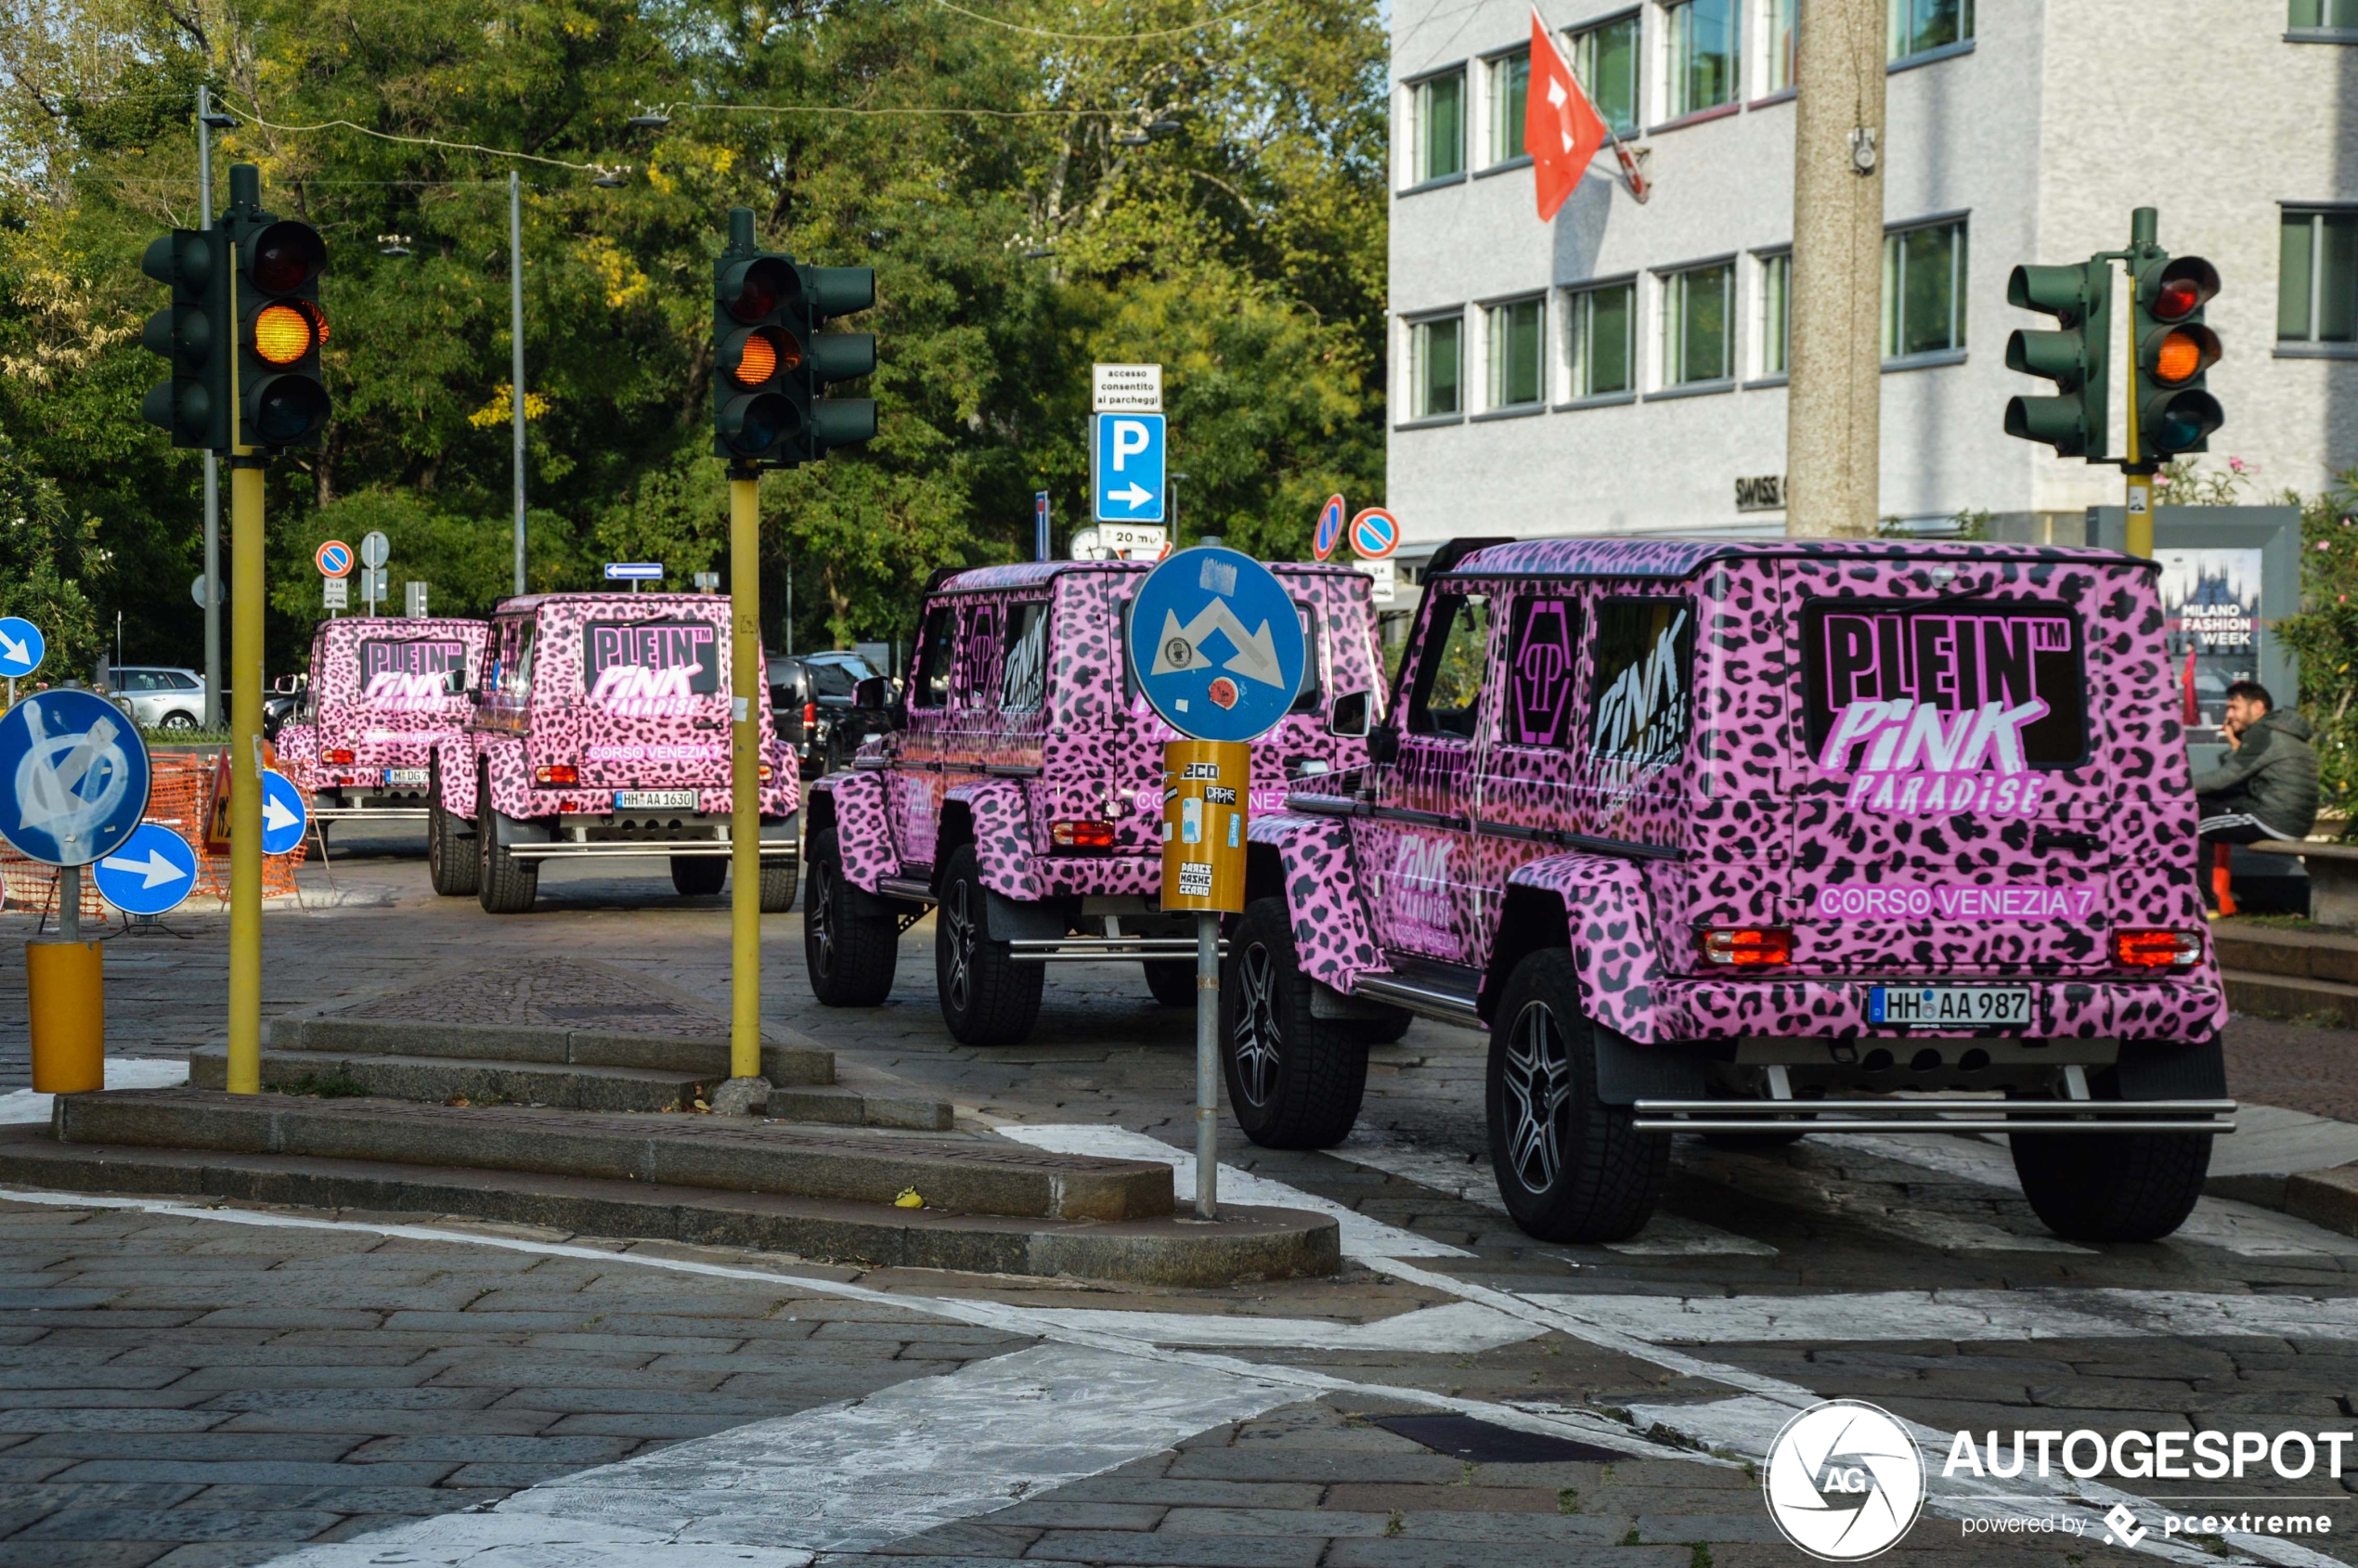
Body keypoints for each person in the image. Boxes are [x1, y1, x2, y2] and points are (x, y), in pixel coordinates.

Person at [2192, 680, 2320, 865]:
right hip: (2289, 821)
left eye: (2234, 708)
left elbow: (2223, 779)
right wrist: (2236, 747)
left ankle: (2201, 893)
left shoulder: (2263, 733)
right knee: (2204, 804)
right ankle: (2208, 889)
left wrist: (2177, 787)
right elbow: (2240, 781)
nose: (2228, 715)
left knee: (2195, 825)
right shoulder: (2279, 731)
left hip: (2273, 820)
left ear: (2258, 707)